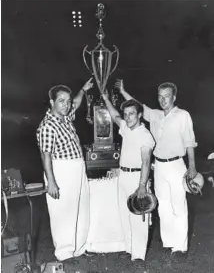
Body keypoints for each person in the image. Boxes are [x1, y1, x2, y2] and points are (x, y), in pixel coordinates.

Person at [115, 79, 197, 265]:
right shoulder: (156, 115)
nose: (163, 100)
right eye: (160, 97)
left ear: (174, 97)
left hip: (176, 164)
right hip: (158, 166)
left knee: (178, 205)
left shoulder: (183, 115)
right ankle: (169, 242)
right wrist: (123, 91)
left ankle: (180, 247)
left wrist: (191, 167)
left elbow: (189, 142)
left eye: (167, 96)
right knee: (164, 206)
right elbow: (137, 105)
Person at [36, 78, 93, 261]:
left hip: (77, 168)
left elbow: (76, 102)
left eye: (67, 101)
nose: (66, 105)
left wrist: (83, 90)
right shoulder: (47, 126)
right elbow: (46, 156)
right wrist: (51, 182)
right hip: (61, 171)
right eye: (62, 101)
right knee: (63, 213)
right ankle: (64, 253)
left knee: (81, 210)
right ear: (52, 102)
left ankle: (79, 249)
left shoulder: (66, 118)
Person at [101, 92, 155, 270]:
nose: (127, 117)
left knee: (138, 217)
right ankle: (130, 248)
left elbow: (146, 161)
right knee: (125, 214)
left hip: (137, 178)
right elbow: (115, 116)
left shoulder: (145, 135)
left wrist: (142, 186)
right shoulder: (125, 127)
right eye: (126, 114)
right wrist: (107, 99)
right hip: (122, 176)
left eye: (132, 113)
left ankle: (138, 255)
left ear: (139, 115)